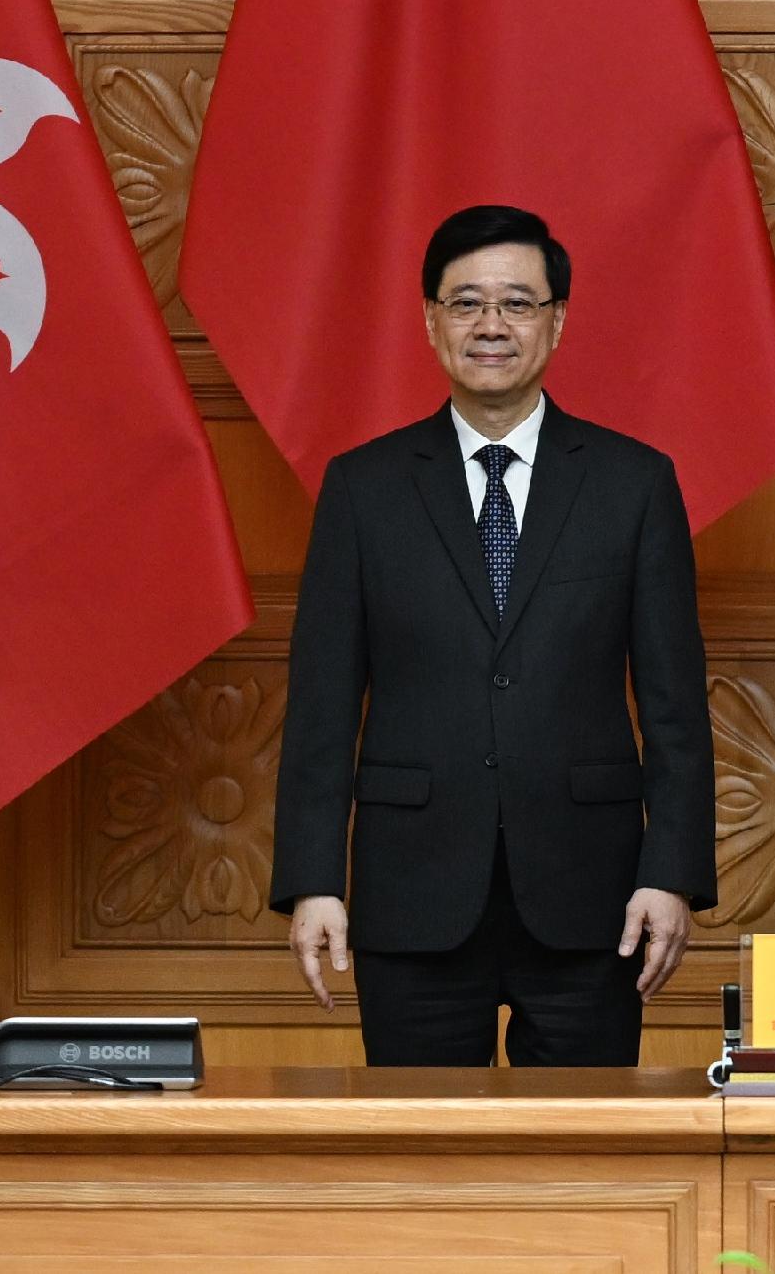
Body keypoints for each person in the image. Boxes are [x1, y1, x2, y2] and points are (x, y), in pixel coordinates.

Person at [272, 203, 718, 1066]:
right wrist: (315, 879)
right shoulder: (363, 489)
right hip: (413, 891)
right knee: (422, 1173)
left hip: (595, 897)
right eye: (466, 301)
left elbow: (674, 707)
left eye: (518, 302)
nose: (491, 325)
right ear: (430, 320)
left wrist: (671, 872)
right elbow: (322, 704)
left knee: (585, 1170)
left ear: (557, 320)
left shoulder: (634, 484)